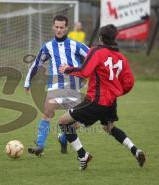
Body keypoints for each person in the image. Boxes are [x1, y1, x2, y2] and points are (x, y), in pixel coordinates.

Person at [59, 24, 145, 170]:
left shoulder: (97, 51)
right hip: (110, 102)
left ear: (101, 38)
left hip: (95, 100)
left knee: (63, 122)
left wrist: (67, 69)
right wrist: (116, 92)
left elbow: (85, 71)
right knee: (109, 127)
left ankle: (82, 155)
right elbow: (129, 82)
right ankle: (135, 150)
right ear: (114, 38)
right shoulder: (121, 57)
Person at [24, 15, 89, 156]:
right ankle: (40, 146)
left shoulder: (75, 45)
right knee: (47, 112)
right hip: (55, 85)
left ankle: (63, 138)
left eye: (62, 27)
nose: (59, 30)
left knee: (75, 122)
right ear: (53, 27)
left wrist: (85, 73)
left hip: (74, 86)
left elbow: (92, 56)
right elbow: (37, 64)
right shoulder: (47, 47)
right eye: (57, 27)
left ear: (66, 28)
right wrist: (27, 81)